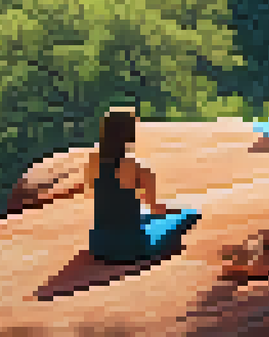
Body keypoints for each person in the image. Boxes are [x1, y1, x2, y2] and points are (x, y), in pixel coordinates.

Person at [84, 106, 201, 264]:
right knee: (189, 214)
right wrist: (176, 210)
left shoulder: (93, 161)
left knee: (143, 216)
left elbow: (98, 192)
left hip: (99, 244)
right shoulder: (137, 167)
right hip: (133, 246)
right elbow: (155, 208)